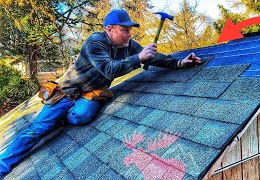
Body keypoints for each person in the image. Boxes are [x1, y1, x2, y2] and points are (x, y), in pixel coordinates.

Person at [0, 9, 201, 177]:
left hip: (89, 94)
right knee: (36, 130)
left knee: (82, 116)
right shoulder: (95, 42)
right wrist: (139, 57)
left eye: (129, 30)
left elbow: (152, 57)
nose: (129, 34)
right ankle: (2, 167)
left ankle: (62, 119)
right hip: (65, 95)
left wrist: (179, 63)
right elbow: (109, 69)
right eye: (124, 30)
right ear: (109, 29)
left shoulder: (127, 46)